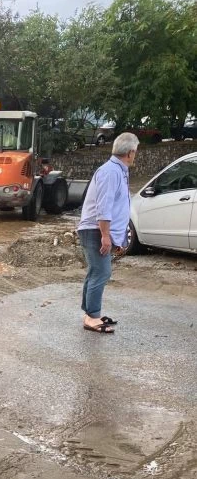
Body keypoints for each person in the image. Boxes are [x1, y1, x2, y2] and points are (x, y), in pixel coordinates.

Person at [77, 132, 139, 333]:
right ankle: (92, 317)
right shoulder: (111, 172)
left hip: (98, 230)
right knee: (102, 272)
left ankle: (90, 314)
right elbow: (104, 207)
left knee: (95, 271)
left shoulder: (118, 170)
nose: (135, 155)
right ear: (130, 152)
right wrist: (105, 235)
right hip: (95, 231)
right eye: (135, 152)